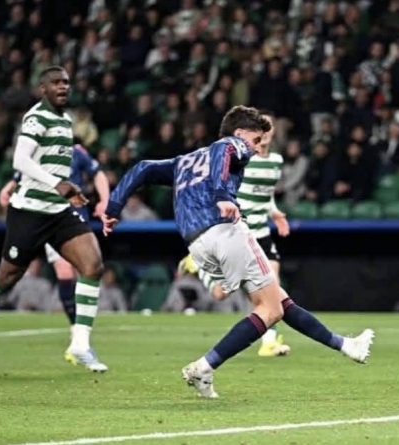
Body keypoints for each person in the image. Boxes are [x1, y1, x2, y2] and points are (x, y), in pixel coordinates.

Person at [102, 106, 374, 398]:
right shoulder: (230, 145)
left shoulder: (186, 161)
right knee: (271, 309)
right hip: (226, 232)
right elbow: (226, 150)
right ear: (240, 133)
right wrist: (222, 195)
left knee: (278, 301)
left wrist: (113, 207)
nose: (257, 148)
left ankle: (346, 346)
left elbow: (143, 168)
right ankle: (205, 366)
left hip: (197, 243)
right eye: (256, 140)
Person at [0, 66, 108, 371]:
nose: (63, 87)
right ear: (42, 89)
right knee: (7, 277)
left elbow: (52, 164)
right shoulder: (36, 117)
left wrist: (68, 191)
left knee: (93, 265)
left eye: (66, 82)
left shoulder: (65, 120)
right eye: (56, 83)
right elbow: (20, 160)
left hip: (58, 210)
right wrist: (57, 184)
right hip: (29, 211)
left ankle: (80, 344)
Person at [178, 111, 292, 357]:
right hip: (240, 231)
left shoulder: (276, 161)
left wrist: (275, 213)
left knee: (273, 286)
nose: (265, 135)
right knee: (221, 293)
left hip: (262, 232)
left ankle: (269, 342)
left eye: (269, 129)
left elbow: (266, 194)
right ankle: (196, 265)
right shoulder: (241, 158)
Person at [0, 142, 110, 356]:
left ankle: (82, 329)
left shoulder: (77, 151)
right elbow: (21, 174)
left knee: (87, 271)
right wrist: (8, 188)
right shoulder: (37, 152)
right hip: (49, 220)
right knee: (64, 271)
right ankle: (76, 329)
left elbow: (98, 173)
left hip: (75, 221)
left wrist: (104, 200)